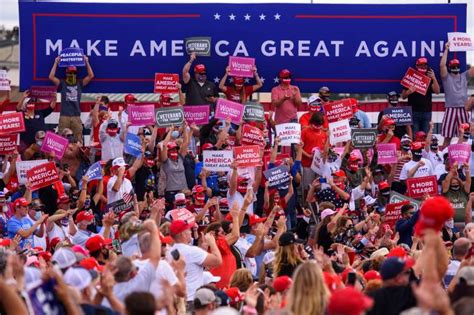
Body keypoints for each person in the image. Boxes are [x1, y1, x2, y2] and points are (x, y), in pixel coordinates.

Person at [168, 220, 222, 310]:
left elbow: (192, 264)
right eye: (188, 230)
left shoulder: (169, 251)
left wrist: (203, 249)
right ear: (182, 234)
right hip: (191, 300)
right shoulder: (191, 251)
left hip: (176, 300)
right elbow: (217, 261)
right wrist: (212, 242)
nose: (190, 232)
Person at [49, 55, 95, 143]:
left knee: (78, 140)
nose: (72, 74)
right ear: (66, 73)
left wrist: (87, 62)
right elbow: (51, 77)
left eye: (74, 73)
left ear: (76, 73)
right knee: (61, 140)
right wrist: (55, 63)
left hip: (76, 116)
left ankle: (78, 156)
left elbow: (91, 75)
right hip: (64, 116)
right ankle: (62, 156)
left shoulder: (79, 83)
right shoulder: (62, 83)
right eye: (70, 72)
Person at [440, 42, 473, 149]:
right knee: (447, 138)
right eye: (453, 66)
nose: (455, 67)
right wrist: (446, 49)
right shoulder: (446, 77)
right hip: (450, 109)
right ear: (450, 67)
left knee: (465, 136)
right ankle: (445, 161)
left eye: (457, 65)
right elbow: (441, 65)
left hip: (463, 109)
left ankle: (464, 157)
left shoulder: (464, 76)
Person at [401, 57, 440, 134]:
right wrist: (409, 91)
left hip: (426, 111)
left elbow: (437, 91)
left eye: (425, 65)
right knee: (415, 136)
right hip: (413, 111)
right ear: (417, 66)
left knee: (425, 136)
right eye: (421, 65)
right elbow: (403, 96)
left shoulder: (430, 77)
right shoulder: (411, 77)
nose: (423, 67)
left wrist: (434, 78)